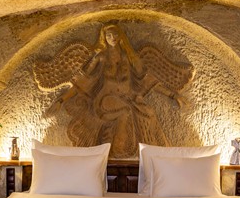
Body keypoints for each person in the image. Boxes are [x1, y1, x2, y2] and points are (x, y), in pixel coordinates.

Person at [49, 24, 185, 158]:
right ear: (104, 38)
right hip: (106, 100)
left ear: (120, 36)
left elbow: (147, 80)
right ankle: (117, 152)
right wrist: (61, 100)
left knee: (149, 112)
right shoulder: (100, 57)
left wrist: (173, 95)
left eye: (115, 34)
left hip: (128, 98)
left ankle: (158, 156)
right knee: (125, 111)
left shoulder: (129, 58)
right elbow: (81, 81)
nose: (112, 38)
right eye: (108, 35)